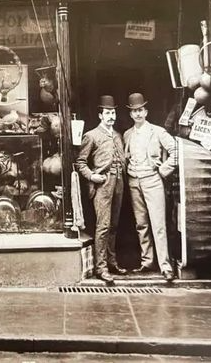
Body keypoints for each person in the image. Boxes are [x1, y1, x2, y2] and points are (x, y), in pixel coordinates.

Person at [123, 93, 177, 282]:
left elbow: (176, 151)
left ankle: (165, 266)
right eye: (134, 111)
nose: (138, 114)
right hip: (133, 181)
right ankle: (147, 262)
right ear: (130, 114)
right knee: (141, 224)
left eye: (140, 110)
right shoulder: (127, 134)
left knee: (158, 224)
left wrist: (163, 170)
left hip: (152, 180)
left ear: (146, 111)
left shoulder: (158, 131)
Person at [75, 95, 126, 283]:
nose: (111, 116)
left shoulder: (118, 135)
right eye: (107, 113)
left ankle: (111, 262)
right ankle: (101, 268)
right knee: (103, 226)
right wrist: (92, 176)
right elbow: (80, 162)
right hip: (103, 184)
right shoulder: (91, 135)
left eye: (113, 112)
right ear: (100, 115)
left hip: (119, 182)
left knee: (113, 225)